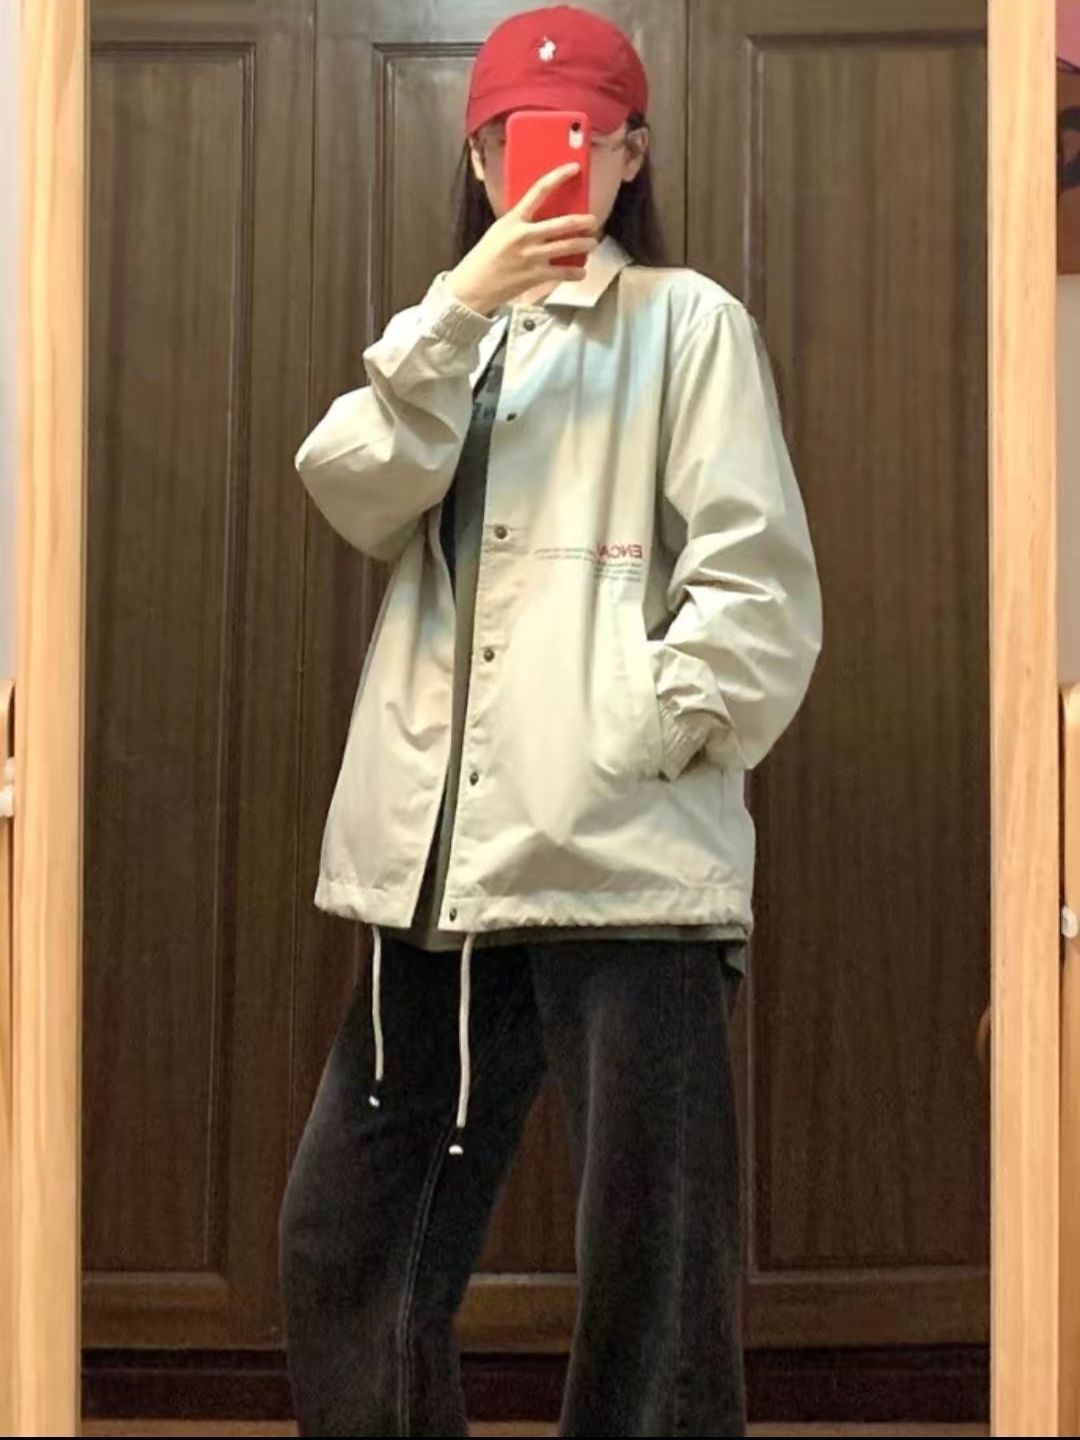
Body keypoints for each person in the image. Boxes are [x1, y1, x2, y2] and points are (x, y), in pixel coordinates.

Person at [279, 6, 822, 1435]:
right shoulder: (448, 341)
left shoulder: (688, 323)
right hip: (436, 867)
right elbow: (350, 485)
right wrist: (457, 309)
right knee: (347, 1245)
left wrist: (639, 733)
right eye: (517, 139)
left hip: (625, 864)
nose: (551, 164)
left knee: (656, 1281)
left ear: (633, 152)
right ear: (477, 158)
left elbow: (758, 592)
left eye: (587, 134)